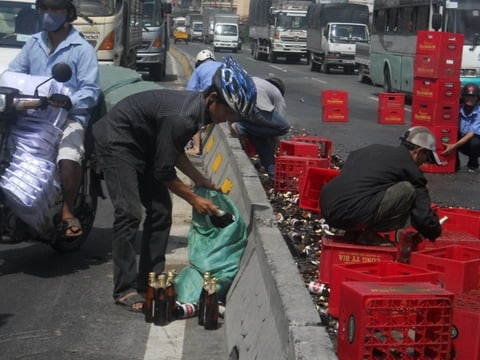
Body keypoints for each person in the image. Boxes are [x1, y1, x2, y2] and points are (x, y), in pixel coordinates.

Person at [92, 57, 256, 312]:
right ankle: (124, 289)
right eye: (227, 111)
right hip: (118, 142)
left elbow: (174, 149)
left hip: (145, 145)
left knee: (160, 211)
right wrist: (194, 198)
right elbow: (164, 172)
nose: (228, 119)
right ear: (212, 98)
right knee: (129, 212)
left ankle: (150, 281)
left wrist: (200, 179)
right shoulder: (184, 116)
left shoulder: (199, 113)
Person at [8, 0, 100, 238]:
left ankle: (68, 212)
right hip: (34, 112)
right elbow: (14, 73)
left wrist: (70, 101)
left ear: (68, 14)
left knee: (68, 156)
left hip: (70, 115)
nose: (48, 15)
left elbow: (90, 90)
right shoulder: (33, 42)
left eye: (55, 10)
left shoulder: (82, 49)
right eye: (44, 9)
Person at [320, 126, 443, 245]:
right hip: (349, 214)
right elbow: (422, 218)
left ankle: (353, 232)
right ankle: (368, 234)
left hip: (327, 209)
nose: (424, 163)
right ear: (419, 151)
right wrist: (435, 231)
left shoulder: (372, 149)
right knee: (407, 190)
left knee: (368, 188)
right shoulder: (411, 170)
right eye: (427, 158)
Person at [230, 76, 290, 178]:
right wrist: (274, 146)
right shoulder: (278, 95)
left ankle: (273, 173)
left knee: (259, 138)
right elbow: (277, 129)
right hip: (256, 104)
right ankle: (241, 127)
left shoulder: (258, 81)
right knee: (284, 127)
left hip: (240, 104)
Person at [185, 49, 223, 156]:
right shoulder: (222, 65)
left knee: (193, 116)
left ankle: (196, 147)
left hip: (212, 98)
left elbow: (189, 92)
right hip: (226, 99)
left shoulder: (199, 69)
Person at [441, 83, 480, 173]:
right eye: (467, 96)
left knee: (475, 142)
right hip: (461, 139)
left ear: (477, 98)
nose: (470, 99)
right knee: (450, 135)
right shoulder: (457, 109)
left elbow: (471, 133)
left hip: (474, 143)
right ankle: (455, 164)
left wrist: (453, 146)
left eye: (473, 96)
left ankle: (473, 164)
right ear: (463, 97)